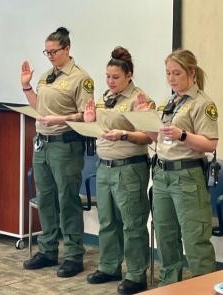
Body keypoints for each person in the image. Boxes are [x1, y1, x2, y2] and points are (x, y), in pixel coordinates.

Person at [137, 49, 218, 286]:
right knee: (165, 236)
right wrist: (144, 118)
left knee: (195, 240)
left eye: (176, 73)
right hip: (162, 175)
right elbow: (157, 137)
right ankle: (169, 287)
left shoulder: (203, 104)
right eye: (168, 73)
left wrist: (182, 135)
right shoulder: (169, 101)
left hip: (187, 177)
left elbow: (210, 143)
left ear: (191, 72)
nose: (171, 78)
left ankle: (204, 288)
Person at [21, 27, 94, 277]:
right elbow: (39, 107)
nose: (50, 56)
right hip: (42, 143)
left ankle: (73, 255)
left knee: (67, 199)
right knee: (45, 198)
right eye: (47, 52)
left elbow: (86, 115)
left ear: (67, 49)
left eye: (54, 51)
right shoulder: (45, 76)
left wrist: (60, 118)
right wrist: (27, 87)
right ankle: (48, 250)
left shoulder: (80, 78)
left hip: (65, 144)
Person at [83, 46, 153, 295]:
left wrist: (124, 134)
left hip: (129, 168)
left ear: (129, 75)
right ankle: (109, 266)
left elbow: (148, 136)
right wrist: (90, 121)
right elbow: (101, 128)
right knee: (107, 220)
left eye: (116, 77)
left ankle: (136, 274)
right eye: (108, 76)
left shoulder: (139, 99)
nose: (110, 81)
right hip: (104, 167)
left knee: (132, 222)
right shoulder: (105, 96)